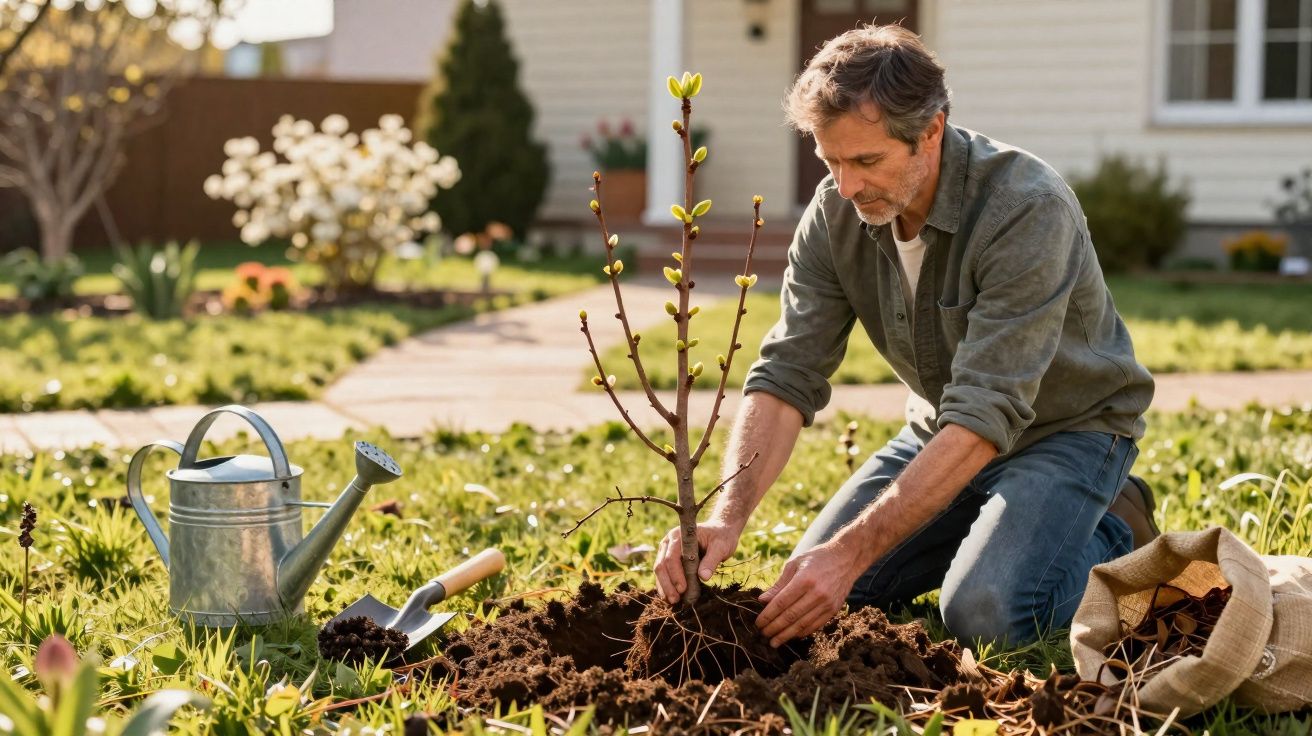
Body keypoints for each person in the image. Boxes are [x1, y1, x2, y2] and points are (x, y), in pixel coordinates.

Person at [652, 24, 1159, 648]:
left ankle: (1113, 525)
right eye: (831, 159)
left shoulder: (1025, 208)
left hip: (1067, 431)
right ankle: (994, 525)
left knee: (986, 614)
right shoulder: (835, 211)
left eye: (867, 160)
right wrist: (726, 517)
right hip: (940, 432)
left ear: (932, 132)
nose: (847, 186)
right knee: (811, 593)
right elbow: (787, 373)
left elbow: (986, 409)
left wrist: (853, 549)